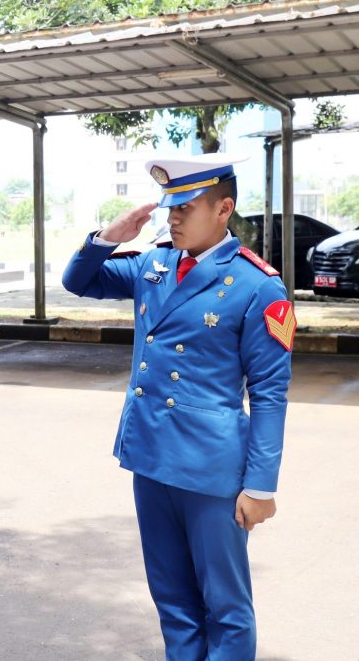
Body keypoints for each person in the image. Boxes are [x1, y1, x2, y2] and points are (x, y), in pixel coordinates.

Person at [61, 154, 293, 658]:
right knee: (172, 599)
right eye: (170, 208)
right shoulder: (155, 263)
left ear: (223, 208)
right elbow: (78, 281)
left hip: (211, 470)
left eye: (186, 207)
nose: (173, 219)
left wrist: (261, 485)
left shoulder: (259, 285)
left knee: (225, 607)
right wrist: (110, 235)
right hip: (150, 457)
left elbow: (271, 393)